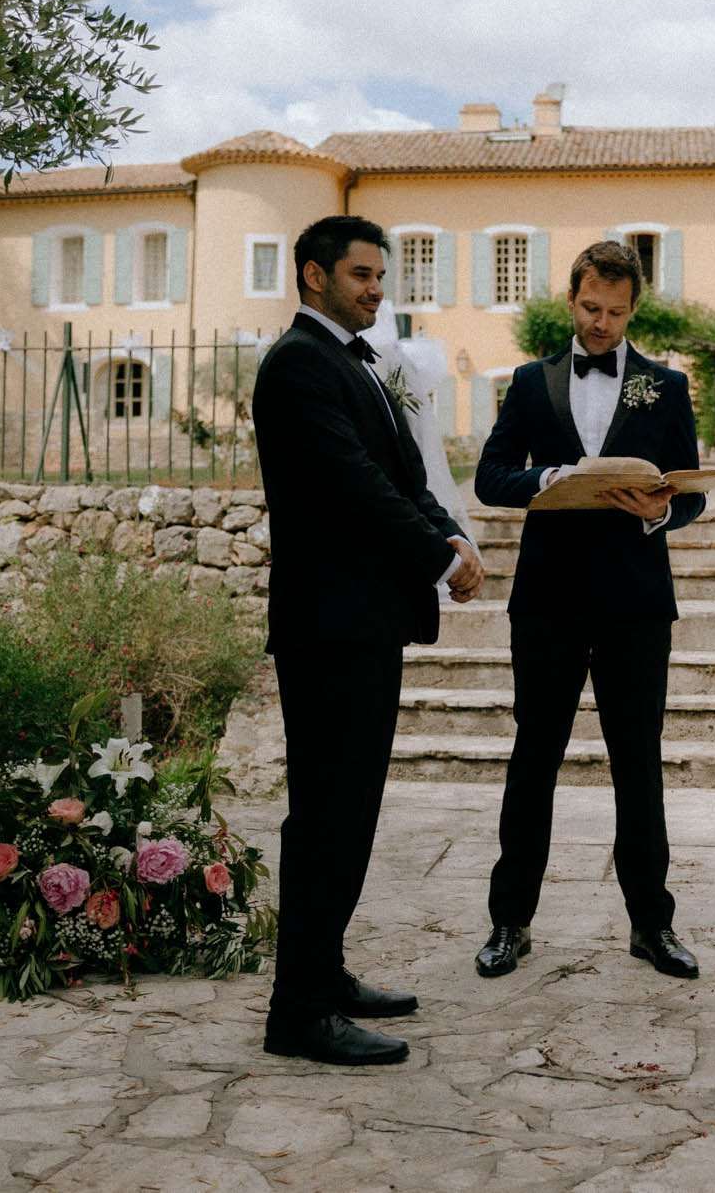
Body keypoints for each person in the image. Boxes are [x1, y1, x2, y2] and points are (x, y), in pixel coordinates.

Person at [252, 214, 484, 1066]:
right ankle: (298, 1011)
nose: (377, 289)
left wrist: (449, 533)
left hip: (363, 624)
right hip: (327, 626)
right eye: (360, 275)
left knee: (352, 813)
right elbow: (350, 486)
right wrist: (434, 555)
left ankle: (326, 971)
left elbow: (401, 476)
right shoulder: (297, 367)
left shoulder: (351, 361)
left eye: (379, 275)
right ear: (313, 277)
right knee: (323, 817)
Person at [471, 240, 705, 981]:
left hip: (637, 604)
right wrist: (550, 476)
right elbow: (490, 476)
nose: (601, 323)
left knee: (638, 764)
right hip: (547, 602)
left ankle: (652, 925)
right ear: (571, 300)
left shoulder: (664, 387)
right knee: (533, 758)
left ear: (634, 308)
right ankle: (509, 921)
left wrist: (657, 512)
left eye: (615, 311)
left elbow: (691, 491)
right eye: (590, 308)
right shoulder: (530, 383)